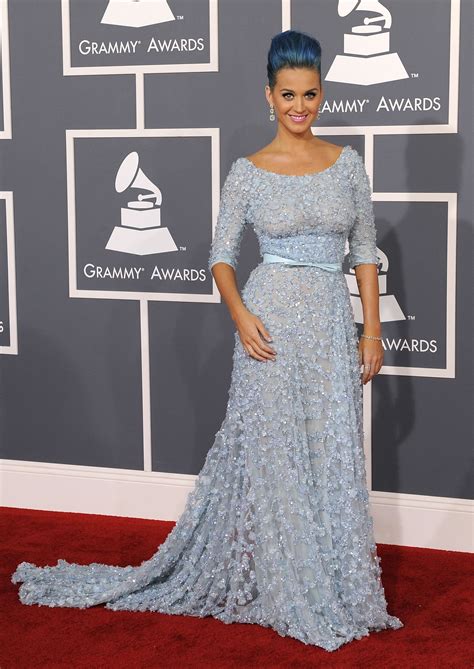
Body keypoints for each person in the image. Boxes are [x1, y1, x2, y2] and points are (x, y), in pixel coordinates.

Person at [11, 30, 404, 652]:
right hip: (268, 323)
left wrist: (372, 329)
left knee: (329, 454)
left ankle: (336, 584)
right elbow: (221, 258)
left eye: (310, 93)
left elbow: (361, 253)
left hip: (330, 326)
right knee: (276, 457)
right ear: (268, 97)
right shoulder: (247, 172)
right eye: (287, 95)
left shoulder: (348, 164)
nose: (300, 106)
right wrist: (240, 315)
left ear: (322, 93)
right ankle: (288, 586)